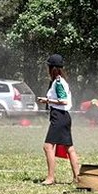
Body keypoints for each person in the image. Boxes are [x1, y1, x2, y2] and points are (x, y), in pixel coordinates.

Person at [37, 53, 79, 185]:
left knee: (48, 146)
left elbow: (63, 101)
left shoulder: (58, 82)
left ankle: (50, 177)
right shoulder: (58, 81)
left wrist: (47, 100)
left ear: (53, 68)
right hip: (63, 117)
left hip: (59, 116)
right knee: (69, 148)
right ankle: (77, 177)